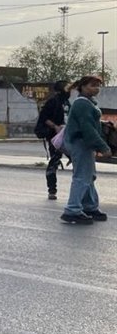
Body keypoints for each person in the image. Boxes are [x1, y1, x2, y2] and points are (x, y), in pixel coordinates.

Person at [59, 76, 111, 225]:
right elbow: (87, 128)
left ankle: (89, 207)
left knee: (89, 176)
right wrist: (103, 147)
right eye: (92, 85)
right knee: (82, 176)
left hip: (84, 144)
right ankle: (72, 210)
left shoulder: (88, 102)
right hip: (80, 142)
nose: (96, 88)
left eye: (97, 86)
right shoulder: (82, 104)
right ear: (82, 87)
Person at [36, 81, 70, 200]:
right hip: (55, 137)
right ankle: (52, 189)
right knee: (54, 161)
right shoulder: (53, 101)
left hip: (68, 135)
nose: (69, 90)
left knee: (77, 160)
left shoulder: (67, 102)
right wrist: (55, 127)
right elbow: (43, 118)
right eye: (67, 87)